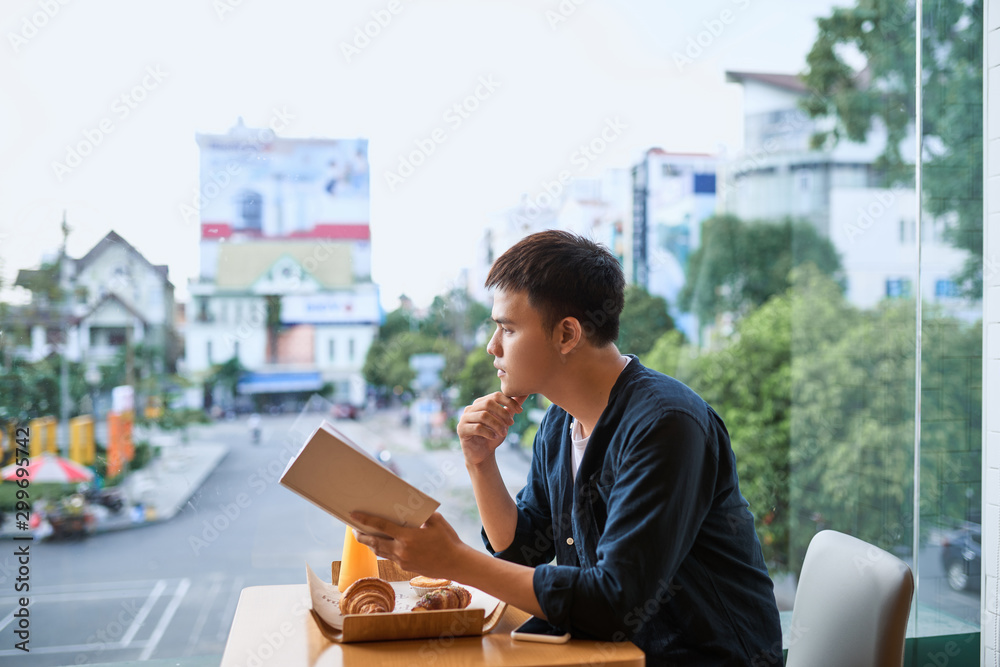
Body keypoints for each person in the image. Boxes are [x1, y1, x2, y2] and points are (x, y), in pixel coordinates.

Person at [353, 230, 782, 665]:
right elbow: (522, 550)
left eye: (507, 328)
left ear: (566, 335)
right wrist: (480, 461)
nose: (492, 347)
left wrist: (456, 562)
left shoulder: (666, 425)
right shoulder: (560, 421)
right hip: (609, 655)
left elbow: (614, 601)